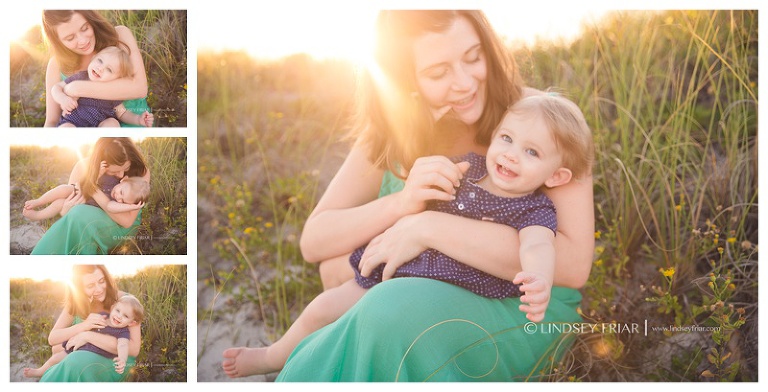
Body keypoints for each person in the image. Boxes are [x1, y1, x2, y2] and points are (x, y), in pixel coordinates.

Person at [269, 10, 594, 381]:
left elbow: (572, 267)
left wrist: (426, 226)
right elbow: (315, 242)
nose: (465, 83)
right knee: (372, 298)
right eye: (438, 73)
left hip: (519, 306)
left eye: (473, 57)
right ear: (405, 79)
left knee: (389, 308)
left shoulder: (542, 121)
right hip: (402, 288)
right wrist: (402, 203)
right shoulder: (391, 131)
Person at [222, 94, 594, 378]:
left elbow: (538, 245)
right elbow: (416, 201)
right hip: (405, 267)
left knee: (378, 315)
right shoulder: (467, 168)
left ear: (555, 176)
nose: (511, 155)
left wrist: (538, 278)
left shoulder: (534, 209)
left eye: (531, 152)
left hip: (456, 292)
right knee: (322, 308)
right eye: (507, 139)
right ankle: (273, 356)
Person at [31, 137, 151, 255]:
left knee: (79, 215)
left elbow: (126, 221)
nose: (121, 175)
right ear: (101, 163)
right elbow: (69, 208)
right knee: (72, 219)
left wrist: (90, 186)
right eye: (114, 172)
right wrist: (65, 210)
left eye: (126, 168)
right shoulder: (82, 167)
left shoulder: (141, 171)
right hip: (85, 217)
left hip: (120, 226)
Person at [42, 10, 150, 128]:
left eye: (85, 28)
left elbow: (140, 88)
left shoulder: (119, 35)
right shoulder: (56, 64)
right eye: (70, 38)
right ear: (58, 42)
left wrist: (78, 88)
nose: (83, 41)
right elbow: (52, 121)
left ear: (91, 20)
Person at [37, 265, 143, 382]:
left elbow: (133, 349)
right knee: (66, 357)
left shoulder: (127, 302)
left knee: (75, 361)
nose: (99, 289)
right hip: (83, 352)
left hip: (117, 360)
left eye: (101, 281)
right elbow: (53, 338)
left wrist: (87, 336)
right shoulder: (76, 303)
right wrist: (84, 326)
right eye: (90, 286)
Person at [24, 294, 145, 378]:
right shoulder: (102, 316)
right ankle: (40, 371)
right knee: (55, 357)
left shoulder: (123, 332)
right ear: (112, 308)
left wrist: (122, 359)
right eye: (118, 311)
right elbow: (87, 325)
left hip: (95, 353)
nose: (119, 316)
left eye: (125, 316)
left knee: (66, 360)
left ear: (132, 323)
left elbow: (123, 345)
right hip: (83, 345)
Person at [53, 45, 154, 128]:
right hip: (73, 122)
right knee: (65, 129)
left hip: (99, 126)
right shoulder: (81, 77)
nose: (100, 68)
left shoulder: (112, 92)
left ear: (116, 78)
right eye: (100, 61)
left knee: (113, 124)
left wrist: (138, 119)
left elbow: (122, 113)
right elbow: (56, 88)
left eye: (109, 70)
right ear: (93, 58)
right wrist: (63, 99)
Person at [23, 173, 149, 222]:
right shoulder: (111, 178)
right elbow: (92, 176)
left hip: (84, 205)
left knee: (60, 203)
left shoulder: (115, 203)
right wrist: (99, 170)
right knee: (64, 189)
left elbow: (110, 207)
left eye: (123, 201)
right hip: (81, 191)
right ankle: (38, 201)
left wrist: (130, 206)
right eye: (121, 192)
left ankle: (37, 216)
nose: (118, 197)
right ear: (124, 180)